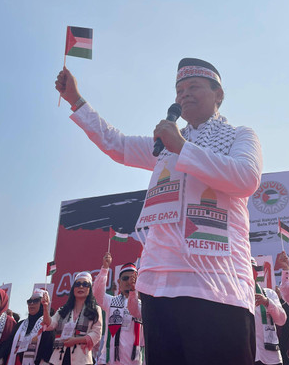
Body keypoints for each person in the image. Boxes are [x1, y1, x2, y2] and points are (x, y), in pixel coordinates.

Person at [55, 58, 263, 365]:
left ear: (218, 94)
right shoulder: (164, 144)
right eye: (179, 90)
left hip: (218, 286)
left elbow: (246, 178)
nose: (184, 95)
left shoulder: (240, 135)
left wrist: (181, 146)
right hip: (159, 285)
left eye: (193, 87)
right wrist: (76, 100)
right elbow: (119, 144)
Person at [42, 272, 102, 365]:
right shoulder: (63, 310)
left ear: (90, 289)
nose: (81, 287)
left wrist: (76, 340)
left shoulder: (95, 309)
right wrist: (45, 307)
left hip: (82, 359)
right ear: (73, 289)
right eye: (77, 284)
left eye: (85, 284)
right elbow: (49, 324)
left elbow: (97, 334)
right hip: (58, 358)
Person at [93, 253, 142, 365]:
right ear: (119, 282)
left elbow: (135, 310)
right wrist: (105, 268)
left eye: (133, 278)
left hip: (135, 361)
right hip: (109, 361)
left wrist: (134, 292)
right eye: (125, 278)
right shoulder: (111, 301)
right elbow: (97, 294)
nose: (129, 282)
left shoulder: (142, 305)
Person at [252, 258, 287, 365]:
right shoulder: (235, 295)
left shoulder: (269, 294)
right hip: (247, 355)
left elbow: (282, 320)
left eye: (252, 269)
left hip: (271, 357)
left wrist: (268, 303)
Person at [4, 290, 53, 365]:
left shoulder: (48, 325)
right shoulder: (19, 325)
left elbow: (48, 351)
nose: (31, 304)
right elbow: (8, 346)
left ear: (42, 304)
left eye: (36, 301)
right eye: (29, 301)